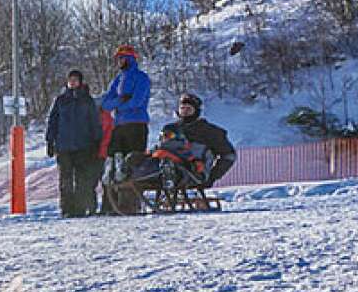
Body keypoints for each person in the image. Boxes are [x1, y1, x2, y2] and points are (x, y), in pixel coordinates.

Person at [124, 93, 237, 192]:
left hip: (192, 169)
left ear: (196, 111)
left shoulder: (209, 131)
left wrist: (212, 177)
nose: (185, 112)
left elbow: (229, 155)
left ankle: (169, 173)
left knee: (172, 158)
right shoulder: (171, 128)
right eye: (183, 109)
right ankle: (126, 172)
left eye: (189, 109)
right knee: (140, 158)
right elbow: (160, 147)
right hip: (163, 159)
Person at [47, 70, 105, 218]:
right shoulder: (61, 101)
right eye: (70, 80)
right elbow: (53, 121)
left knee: (82, 179)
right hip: (64, 146)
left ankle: (81, 208)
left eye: (75, 80)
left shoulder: (87, 100)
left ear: (80, 81)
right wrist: (50, 140)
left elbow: (95, 122)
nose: (72, 82)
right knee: (65, 180)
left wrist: (97, 141)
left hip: (83, 145)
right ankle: (67, 209)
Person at [100, 45, 152, 189]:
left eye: (122, 58)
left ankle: (131, 203)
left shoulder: (142, 78)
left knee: (133, 163)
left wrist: (119, 105)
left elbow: (137, 101)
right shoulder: (117, 80)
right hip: (119, 125)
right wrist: (120, 101)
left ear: (130, 58)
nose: (119, 61)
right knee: (114, 160)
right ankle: (111, 203)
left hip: (137, 123)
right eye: (118, 59)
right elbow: (106, 104)